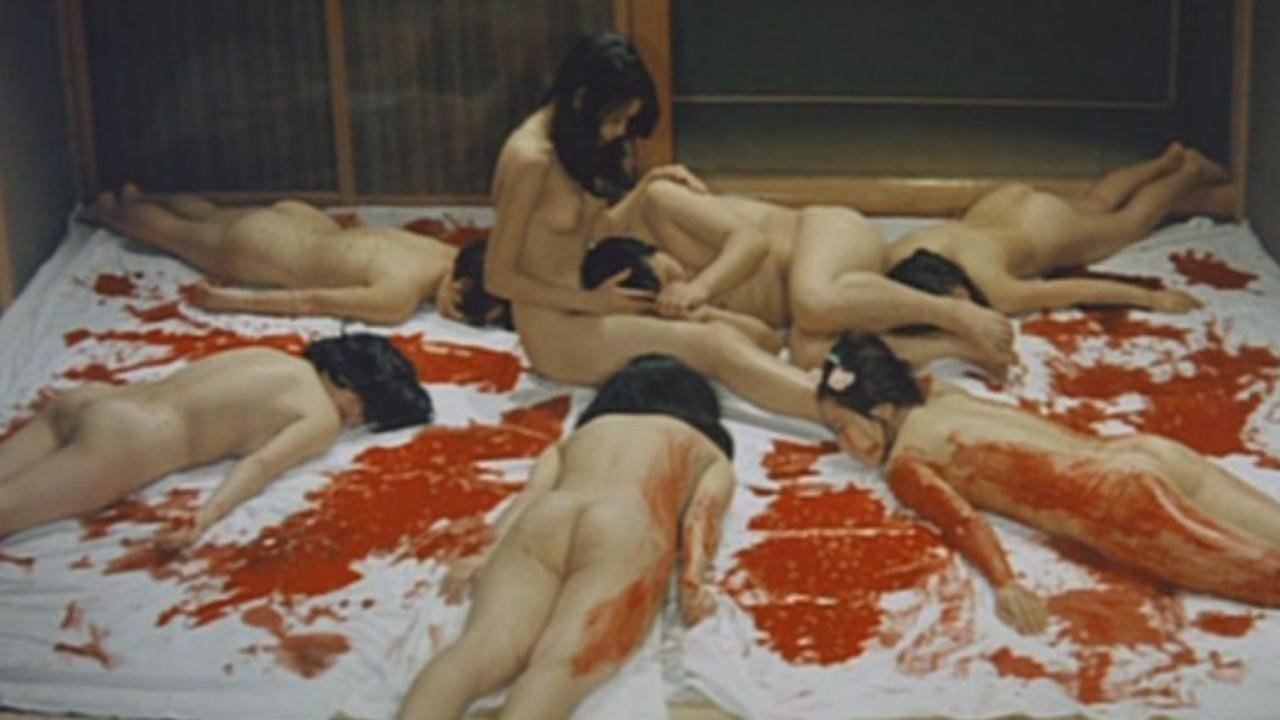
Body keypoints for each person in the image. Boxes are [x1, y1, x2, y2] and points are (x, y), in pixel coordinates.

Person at [815, 331, 1280, 634]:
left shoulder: (906, 462)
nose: (843, 443)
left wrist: (1005, 584)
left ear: (880, 411)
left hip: (1120, 500)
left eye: (841, 428)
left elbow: (962, 523)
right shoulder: (939, 393)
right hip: (1143, 450)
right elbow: (905, 372)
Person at [483, 32, 831, 426]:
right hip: (557, 332)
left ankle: (826, 396)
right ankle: (836, 409)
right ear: (581, 98)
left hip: (593, 303)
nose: (619, 132)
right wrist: (591, 302)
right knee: (714, 345)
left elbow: (595, 228)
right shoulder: (530, 159)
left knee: (728, 332)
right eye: (614, 119)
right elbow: (498, 276)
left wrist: (648, 186)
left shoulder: (572, 139)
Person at [397, 354, 735, 720]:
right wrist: (693, 582)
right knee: (563, 664)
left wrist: (484, 553)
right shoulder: (706, 450)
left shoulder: (577, 438)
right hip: (625, 527)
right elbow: (702, 517)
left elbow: (529, 498)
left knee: (478, 650)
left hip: (547, 518)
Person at [0, 334, 433, 546]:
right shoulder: (320, 416)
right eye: (365, 412)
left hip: (91, 400)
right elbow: (260, 466)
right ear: (357, 389)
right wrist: (206, 516)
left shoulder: (271, 355)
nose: (355, 420)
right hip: (130, 438)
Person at [580, 235, 1007, 374]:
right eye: (666, 288)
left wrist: (703, 287)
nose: (679, 283)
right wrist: (703, 314)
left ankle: (958, 315)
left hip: (823, 238)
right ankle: (955, 346)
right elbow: (768, 343)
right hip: (832, 302)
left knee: (812, 304)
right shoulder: (662, 309)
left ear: (651, 248)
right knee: (810, 355)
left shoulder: (660, 203)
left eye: (670, 271)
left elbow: (752, 240)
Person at [883, 143, 1223, 315]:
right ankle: (1165, 162)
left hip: (1043, 229)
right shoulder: (901, 253)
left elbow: (1075, 289)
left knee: (1129, 223)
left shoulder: (993, 288)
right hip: (1000, 204)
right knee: (1098, 203)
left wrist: (1150, 298)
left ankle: (1190, 171)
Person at [80, 185, 461, 325]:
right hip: (267, 250)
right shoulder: (398, 297)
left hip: (303, 221)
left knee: (209, 216)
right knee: (174, 234)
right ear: (460, 287)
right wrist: (231, 301)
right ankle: (108, 212)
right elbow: (309, 301)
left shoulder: (447, 252)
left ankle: (136, 198)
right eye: (462, 309)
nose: (459, 317)